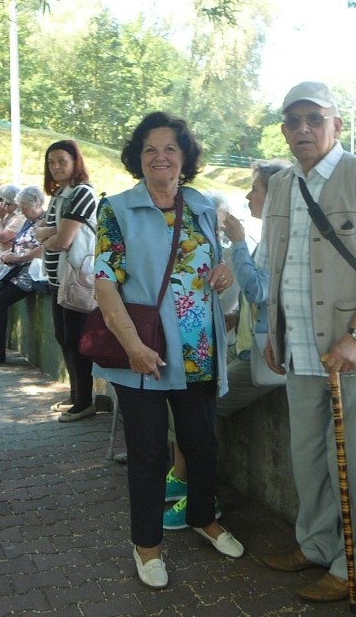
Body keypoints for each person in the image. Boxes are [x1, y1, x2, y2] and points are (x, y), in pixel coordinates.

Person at [257, 82, 356, 603]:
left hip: (354, 351)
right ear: (283, 129)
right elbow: (270, 268)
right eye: (293, 120)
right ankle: (317, 544)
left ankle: (354, 567)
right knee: (308, 455)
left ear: (336, 125)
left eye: (314, 119)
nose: (303, 128)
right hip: (298, 347)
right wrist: (269, 331)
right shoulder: (280, 186)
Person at [92, 111, 243, 589]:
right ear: (138, 159)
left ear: (185, 158)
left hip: (199, 348)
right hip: (146, 353)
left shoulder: (201, 205)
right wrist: (132, 345)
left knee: (201, 444)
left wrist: (225, 274)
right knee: (149, 454)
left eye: (170, 148)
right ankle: (148, 545)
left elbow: (212, 268)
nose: (161, 157)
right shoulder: (117, 209)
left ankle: (202, 516)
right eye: (150, 149)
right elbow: (104, 284)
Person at [163, 160, 290, 530]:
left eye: (256, 189)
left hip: (268, 358)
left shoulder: (268, 240)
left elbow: (260, 290)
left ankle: (200, 496)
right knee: (190, 401)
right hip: (249, 347)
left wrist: (235, 244)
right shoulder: (269, 237)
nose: (249, 195)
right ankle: (184, 479)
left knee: (200, 406)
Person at [35, 140, 98, 422]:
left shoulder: (82, 193)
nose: (56, 167)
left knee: (76, 341)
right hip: (58, 280)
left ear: (75, 162)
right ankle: (76, 395)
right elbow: (52, 230)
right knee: (64, 338)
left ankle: (85, 400)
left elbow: (62, 239)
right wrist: (48, 233)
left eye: (62, 161)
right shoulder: (61, 193)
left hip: (75, 279)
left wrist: (44, 235)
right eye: (51, 163)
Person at [0, 185, 46, 363]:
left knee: (0, 299)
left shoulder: (46, 220)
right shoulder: (29, 220)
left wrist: (18, 257)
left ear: (36, 205)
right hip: (17, 269)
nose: (23, 212)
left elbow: (43, 248)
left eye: (25, 208)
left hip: (32, 273)